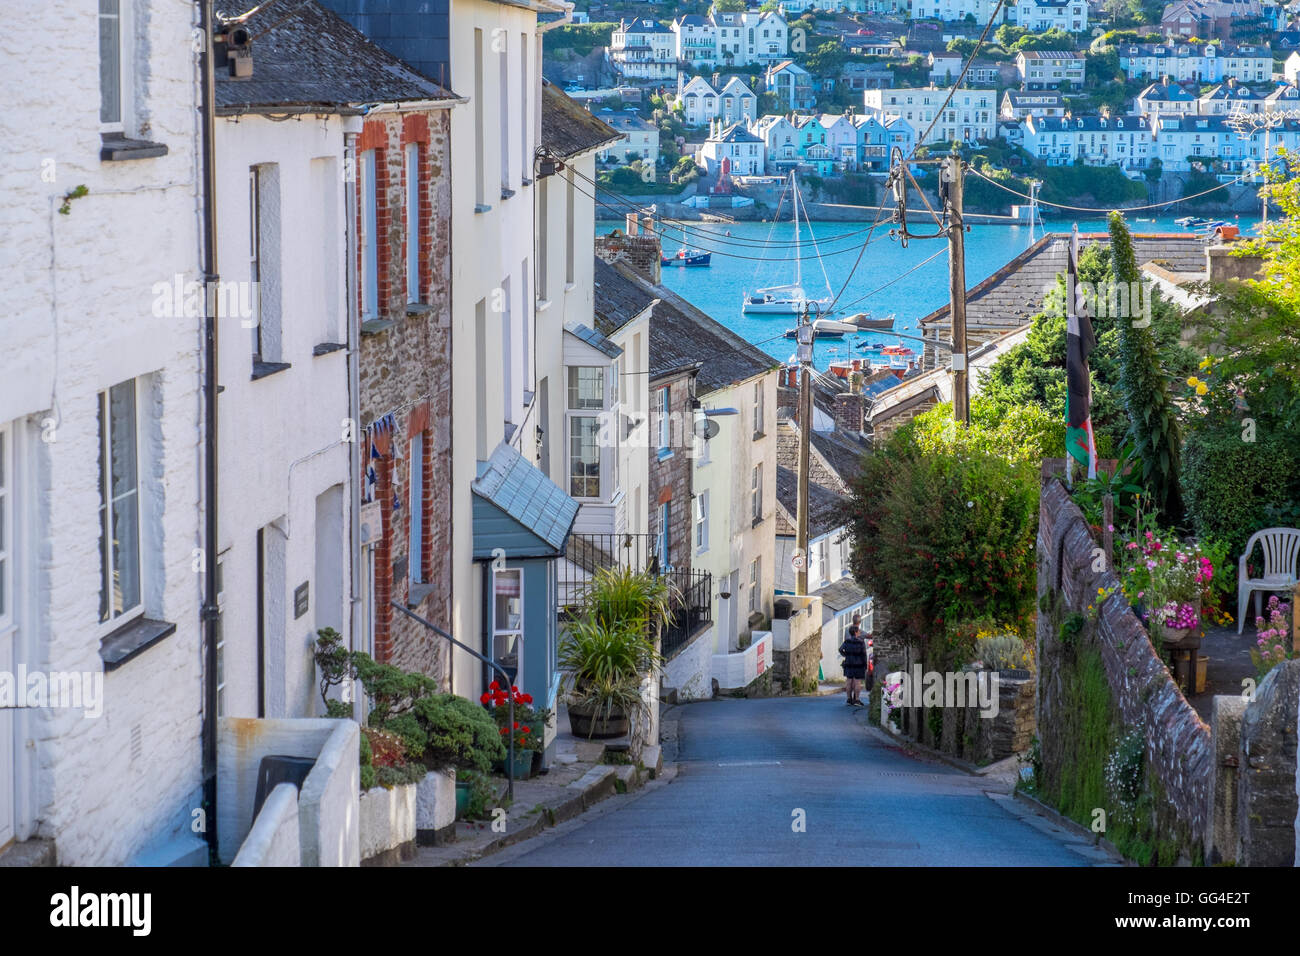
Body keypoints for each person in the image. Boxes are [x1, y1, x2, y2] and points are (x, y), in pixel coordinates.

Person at [839, 624, 868, 706]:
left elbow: (840, 649)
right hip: (858, 664)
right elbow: (863, 654)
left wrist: (846, 655)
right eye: (858, 631)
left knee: (849, 681)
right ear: (856, 632)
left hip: (848, 663)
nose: (859, 633)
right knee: (857, 682)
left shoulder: (847, 641)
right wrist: (865, 665)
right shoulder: (861, 642)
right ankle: (857, 699)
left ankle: (849, 698)